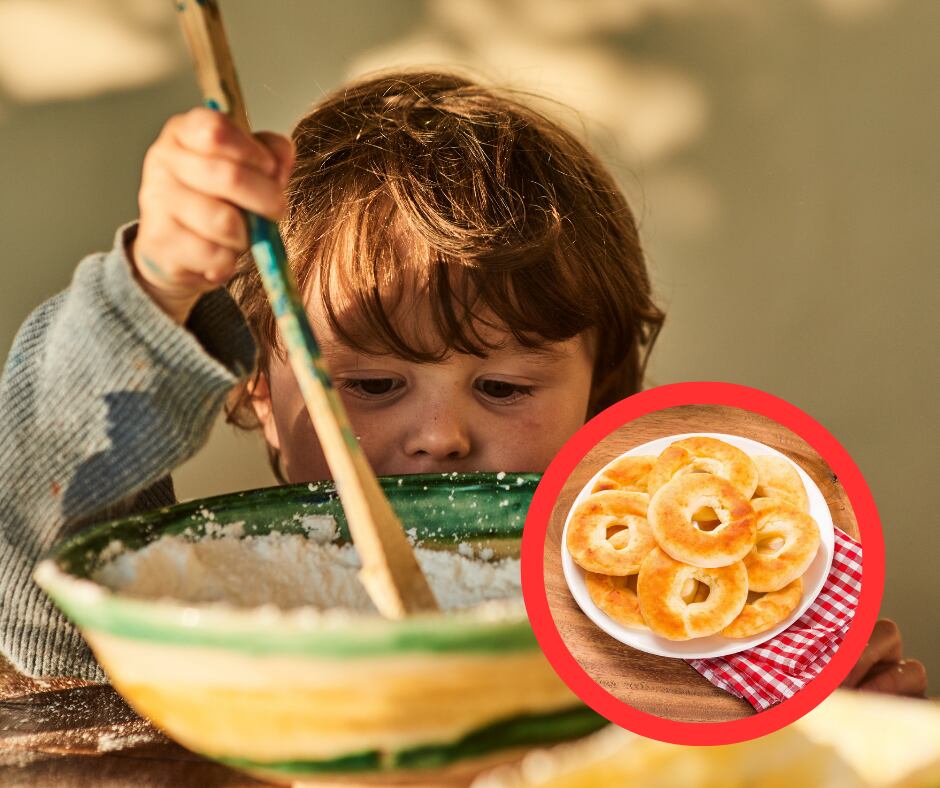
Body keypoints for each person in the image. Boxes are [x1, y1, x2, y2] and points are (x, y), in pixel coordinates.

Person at [0, 71, 925, 698]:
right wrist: (158, 289)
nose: (438, 435)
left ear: (598, 394)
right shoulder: (195, 626)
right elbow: (41, 525)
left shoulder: (664, 646)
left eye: (506, 389)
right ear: (250, 382)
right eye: (368, 384)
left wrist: (822, 726)